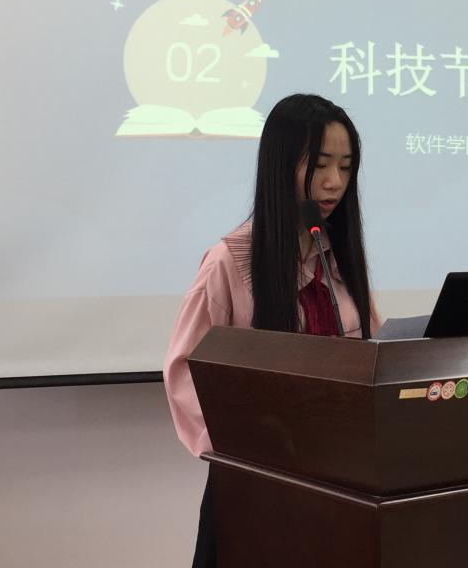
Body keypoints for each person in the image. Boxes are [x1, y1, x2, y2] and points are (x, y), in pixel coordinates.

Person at [163, 93, 381, 568]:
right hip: (257, 492)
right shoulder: (229, 263)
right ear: (281, 165)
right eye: (320, 165)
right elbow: (184, 372)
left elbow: (375, 359)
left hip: (339, 488)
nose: (335, 181)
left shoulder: (338, 261)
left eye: (346, 167)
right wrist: (247, 448)